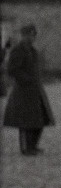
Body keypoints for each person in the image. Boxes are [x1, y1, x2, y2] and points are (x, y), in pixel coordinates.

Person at [2, 24, 54, 155]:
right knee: (25, 122)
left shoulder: (32, 50)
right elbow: (12, 70)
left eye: (34, 35)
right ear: (23, 35)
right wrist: (27, 79)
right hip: (23, 92)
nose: (32, 37)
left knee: (39, 119)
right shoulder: (18, 50)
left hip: (35, 91)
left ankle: (33, 146)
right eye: (30, 35)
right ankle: (25, 148)